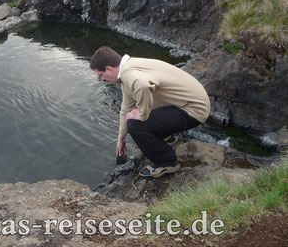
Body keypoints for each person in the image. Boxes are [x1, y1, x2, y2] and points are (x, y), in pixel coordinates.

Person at [90, 46, 210, 178]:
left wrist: (142, 114)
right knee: (138, 111)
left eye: (101, 75)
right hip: (189, 103)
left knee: (135, 124)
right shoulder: (129, 69)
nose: (102, 79)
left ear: (109, 69)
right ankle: (166, 138)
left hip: (194, 110)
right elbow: (126, 109)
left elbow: (143, 85)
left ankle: (167, 163)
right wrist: (121, 137)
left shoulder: (129, 74)